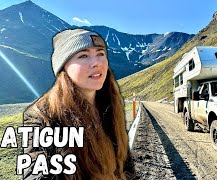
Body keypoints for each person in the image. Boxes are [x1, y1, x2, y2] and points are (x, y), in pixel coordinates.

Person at [23, 28, 136, 179]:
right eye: (83, 56)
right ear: (64, 67)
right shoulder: (41, 116)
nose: (96, 63)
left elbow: (125, 162)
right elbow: (34, 173)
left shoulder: (111, 104)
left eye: (100, 54)